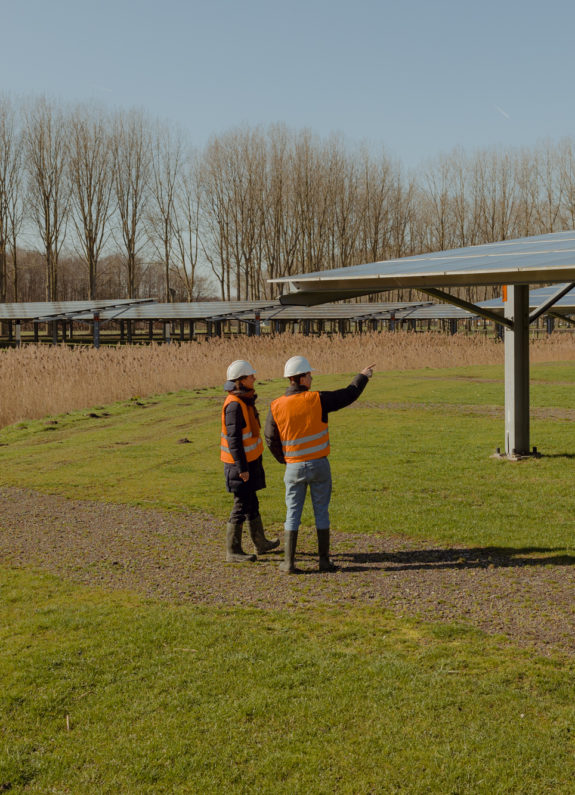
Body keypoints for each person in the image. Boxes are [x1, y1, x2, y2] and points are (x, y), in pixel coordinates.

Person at [265, 356, 375, 573]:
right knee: (321, 511)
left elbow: (270, 438)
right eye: (309, 375)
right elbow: (348, 395)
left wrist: (285, 459)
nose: (312, 378)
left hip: (294, 466)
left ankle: (288, 563)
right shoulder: (318, 399)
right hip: (319, 465)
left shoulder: (276, 405)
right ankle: (324, 561)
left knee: (292, 512)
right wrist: (362, 377)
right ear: (302, 378)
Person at [221, 359, 279, 562]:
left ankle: (260, 542)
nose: (254, 378)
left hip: (249, 462)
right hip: (239, 465)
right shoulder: (234, 406)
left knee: (252, 502)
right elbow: (234, 440)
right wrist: (242, 468)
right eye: (251, 376)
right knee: (240, 505)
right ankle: (233, 551)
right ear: (241, 380)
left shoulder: (244, 400)